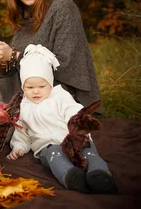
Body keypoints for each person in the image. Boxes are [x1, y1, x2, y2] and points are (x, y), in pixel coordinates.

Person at [7, 44, 116, 194]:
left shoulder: (60, 96)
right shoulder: (24, 107)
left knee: (88, 151)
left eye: (41, 86)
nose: (36, 91)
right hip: (48, 146)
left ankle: (99, 174)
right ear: (23, 87)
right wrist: (19, 147)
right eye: (30, 88)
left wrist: (77, 125)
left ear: (50, 83)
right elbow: (22, 132)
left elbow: (73, 110)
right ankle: (70, 176)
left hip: (73, 139)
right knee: (54, 156)